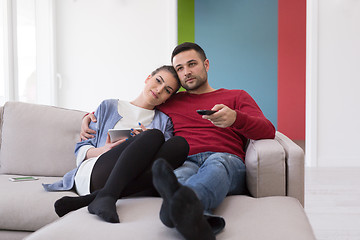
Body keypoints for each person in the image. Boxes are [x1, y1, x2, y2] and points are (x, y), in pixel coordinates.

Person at [81, 43, 276, 239]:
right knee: (178, 176)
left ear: (206, 65)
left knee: (218, 164)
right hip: (185, 160)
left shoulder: (236, 96)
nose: (187, 72)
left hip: (226, 158)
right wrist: (89, 116)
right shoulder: (170, 100)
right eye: (180, 68)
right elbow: (141, 107)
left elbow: (267, 130)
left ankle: (184, 207)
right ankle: (196, 217)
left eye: (192, 64)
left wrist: (236, 118)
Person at [43, 65, 189, 224]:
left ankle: (99, 197)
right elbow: (81, 149)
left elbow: (164, 162)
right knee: (154, 135)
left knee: (180, 145)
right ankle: (105, 195)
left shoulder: (164, 121)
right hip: (97, 171)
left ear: (168, 98)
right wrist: (103, 150)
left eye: (167, 90)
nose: (159, 89)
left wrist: (147, 143)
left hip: (134, 179)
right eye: (158, 81)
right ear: (148, 78)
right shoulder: (109, 106)